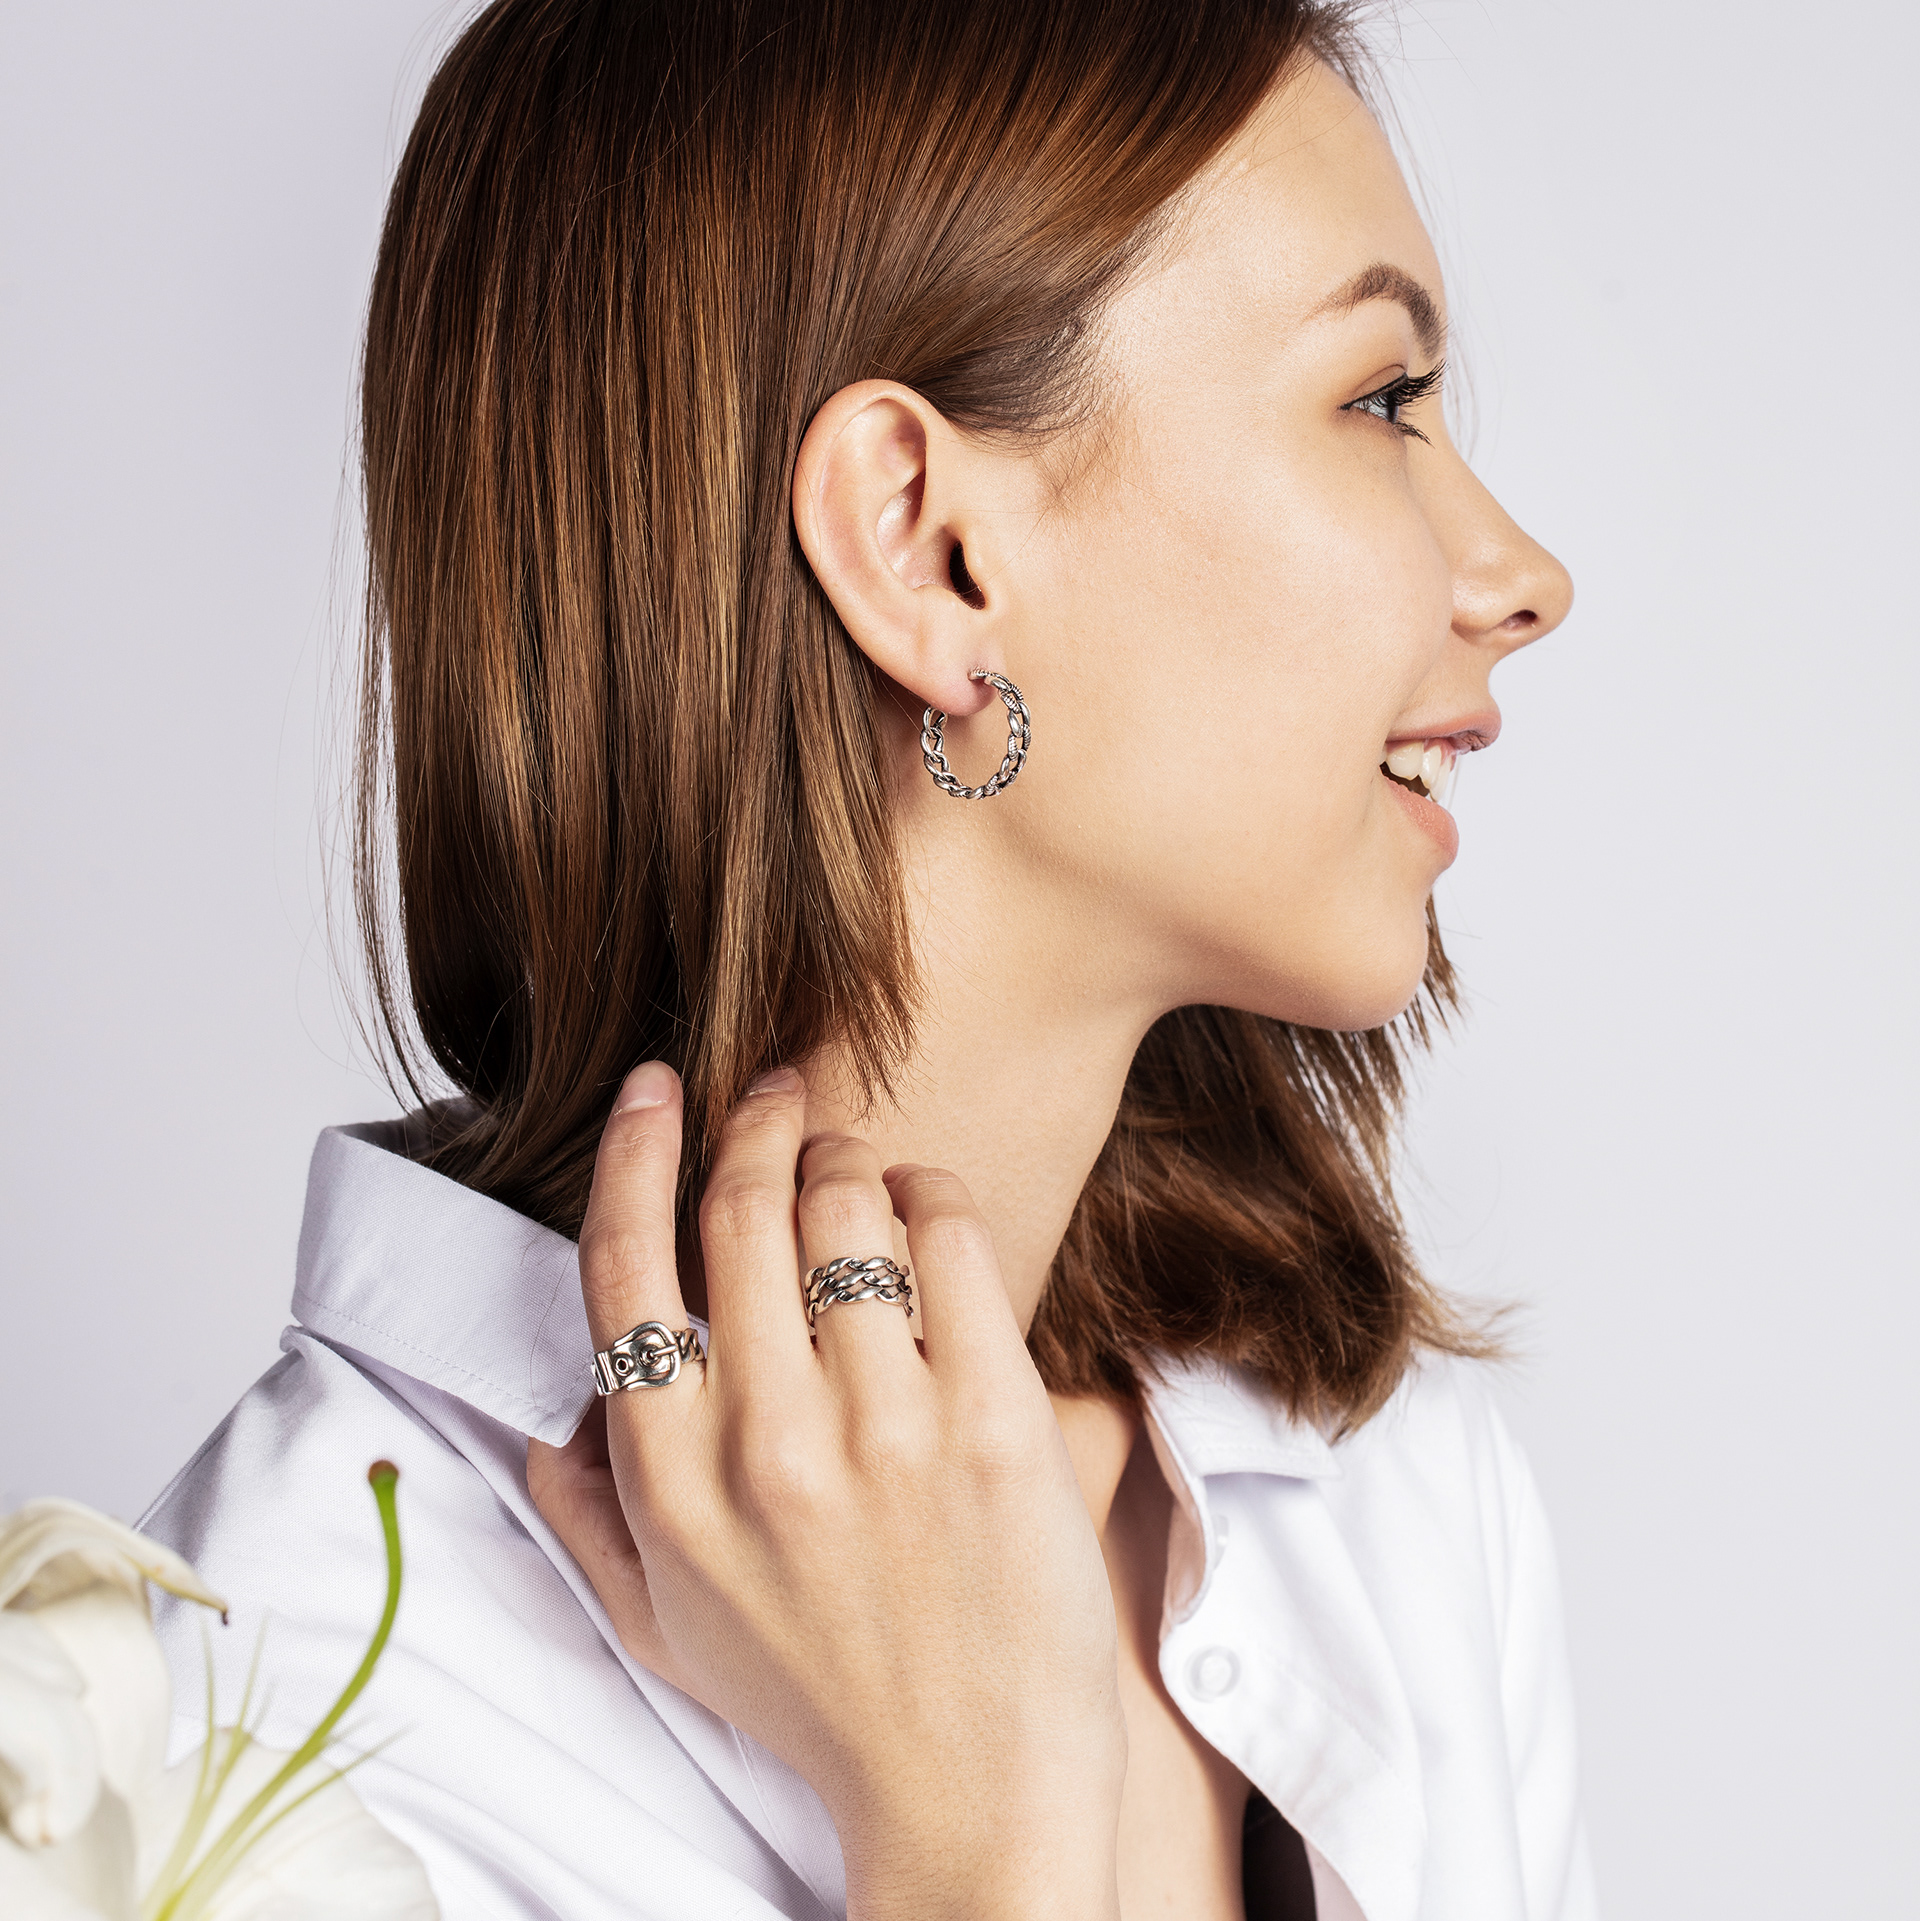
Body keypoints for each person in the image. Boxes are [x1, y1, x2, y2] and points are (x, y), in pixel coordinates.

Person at [142, 1, 1592, 1916]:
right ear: (924, 545)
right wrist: (980, 1843)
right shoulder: (248, 1729)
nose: (1523, 576)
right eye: (1380, 400)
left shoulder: (1379, 1484)